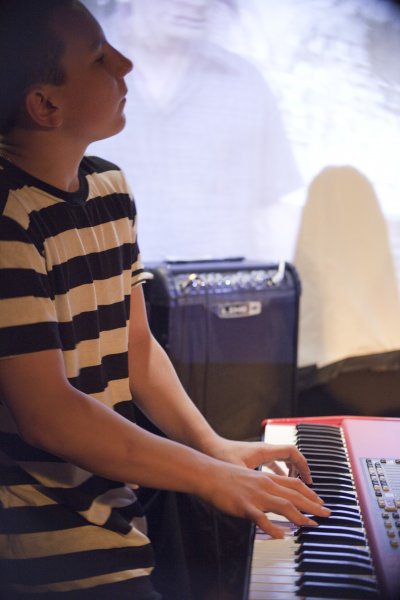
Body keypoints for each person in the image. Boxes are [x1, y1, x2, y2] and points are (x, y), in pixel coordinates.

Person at [0, 1, 330, 598]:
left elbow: (137, 348)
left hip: (113, 513)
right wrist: (205, 476)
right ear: (45, 106)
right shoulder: (9, 218)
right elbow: (47, 413)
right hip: (37, 547)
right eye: (99, 58)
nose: (124, 63)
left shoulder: (108, 186)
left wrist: (213, 447)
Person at [88, 0, 303, 261]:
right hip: (101, 282)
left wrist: (279, 280)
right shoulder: (77, 77)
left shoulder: (244, 83)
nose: (198, 3)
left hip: (222, 280)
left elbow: (270, 209)